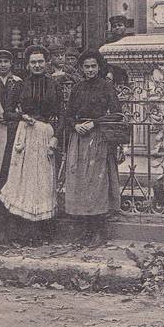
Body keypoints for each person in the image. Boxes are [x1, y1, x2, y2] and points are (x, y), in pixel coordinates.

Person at [0, 46, 64, 244]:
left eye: (40, 62)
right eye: (33, 62)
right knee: (24, 182)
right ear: (28, 64)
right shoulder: (20, 85)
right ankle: (23, 232)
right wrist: (21, 116)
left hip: (45, 134)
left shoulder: (54, 85)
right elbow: (7, 112)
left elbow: (62, 114)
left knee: (43, 181)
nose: (37, 65)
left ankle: (42, 232)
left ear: (47, 63)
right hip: (25, 135)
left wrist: (56, 138)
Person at [65, 50, 122, 247]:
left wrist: (94, 123)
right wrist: (75, 125)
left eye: (93, 66)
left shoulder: (106, 86)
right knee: (81, 183)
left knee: (97, 184)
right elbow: (69, 114)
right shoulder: (77, 88)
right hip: (79, 138)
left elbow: (117, 114)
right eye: (86, 67)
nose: (90, 70)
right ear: (81, 68)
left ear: (99, 67)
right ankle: (86, 231)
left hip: (97, 139)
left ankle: (99, 231)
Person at [0, 50, 23, 242]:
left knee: (12, 180)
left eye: (6, 61)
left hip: (14, 136)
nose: (3, 65)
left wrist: (14, 117)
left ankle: (13, 230)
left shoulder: (18, 82)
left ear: (11, 63)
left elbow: (24, 108)